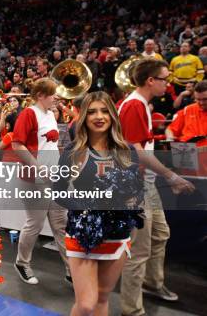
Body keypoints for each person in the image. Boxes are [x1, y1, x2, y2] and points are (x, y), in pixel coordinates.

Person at [118, 58, 196, 316]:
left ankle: (152, 284)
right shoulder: (133, 107)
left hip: (145, 184)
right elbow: (136, 153)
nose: (168, 83)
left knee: (160, 235)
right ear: (151, 80)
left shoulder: (141, 105)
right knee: (138, 252)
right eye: (164, 78)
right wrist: (170, 176)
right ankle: (131, 310)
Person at [54, 92, 143, 316]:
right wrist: (84, 208)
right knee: (85, 304)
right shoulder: (73, 151)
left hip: (117, 232)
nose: (99, 116)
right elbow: (58, 192)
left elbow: (136, 190)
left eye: (104, 111)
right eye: (92, 111)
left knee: (102, 299)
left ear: (113, 115)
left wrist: (131, 203)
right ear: (83, 116)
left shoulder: (127, 151)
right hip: (83, 233)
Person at [12, 77, 69, 285]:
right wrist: (39, 167)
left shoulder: (51, 115)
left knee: (60, 224)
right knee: (34, 224)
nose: (56, 96)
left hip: (53, 177)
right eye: (53, 93)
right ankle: (22, 263)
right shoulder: (29, 114)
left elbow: (50, 147)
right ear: (40, 96)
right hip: (33, 179)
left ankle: (72, 270)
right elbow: (17, 145)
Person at [166, 80, 207, 147]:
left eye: (205, 99)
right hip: (187, 151)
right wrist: (170, 137)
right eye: (198, 99)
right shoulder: (187, 110)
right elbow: (170, 129)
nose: (201, 103)